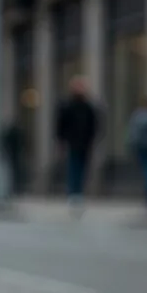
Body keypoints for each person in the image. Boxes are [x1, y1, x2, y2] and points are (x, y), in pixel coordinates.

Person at [55, 76, 101, 211]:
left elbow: (95, 125)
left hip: (85, 143)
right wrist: (61, 140)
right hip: (72, 142)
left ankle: (78, 193)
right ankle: (73, 193)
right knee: (73, 167)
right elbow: (61, 125)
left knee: (82, 168)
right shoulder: (67, 105)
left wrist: (92, 138)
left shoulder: (88, 106)